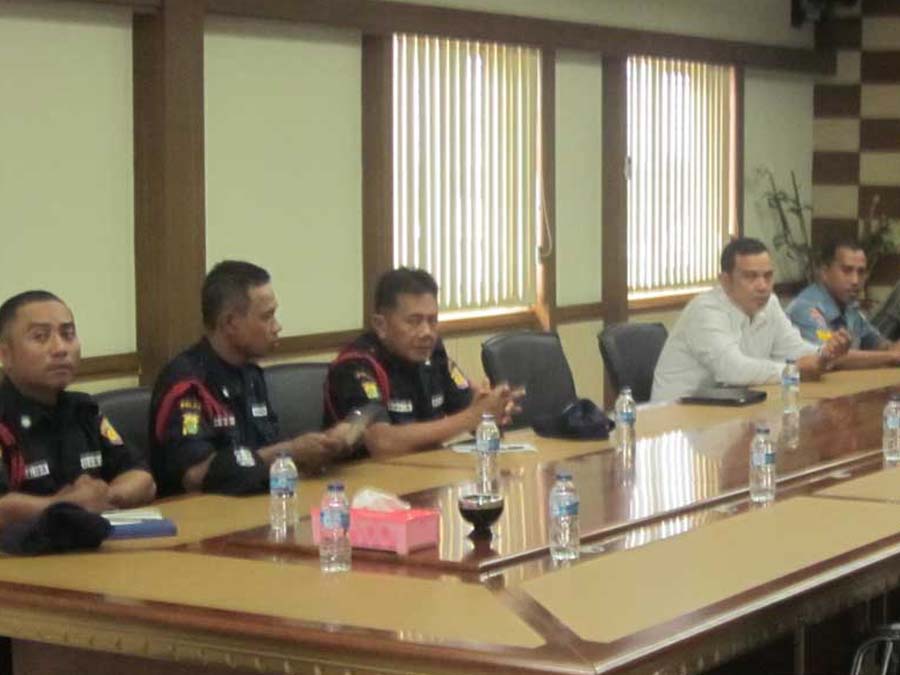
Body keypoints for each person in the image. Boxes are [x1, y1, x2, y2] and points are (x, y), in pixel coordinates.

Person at [150, 261, 352, 496]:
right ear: (230, 323)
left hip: (258, 500)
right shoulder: (187, 384)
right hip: (202, 510)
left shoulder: (251, 374)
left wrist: (321, 448)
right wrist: (290, 452)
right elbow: (196, 475)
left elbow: (268, 448)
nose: (277, 327)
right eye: (267, 317)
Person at [324, 267, 520, 459]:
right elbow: (382, 443)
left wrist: (492, 410)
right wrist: (472, 417)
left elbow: (470, 408)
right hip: (368, 478)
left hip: (427, 471)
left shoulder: (433, 354)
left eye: (432, 321)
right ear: (380, 325)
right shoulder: (356, 365)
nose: (427, 332)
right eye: (414, 321)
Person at [0, 291, 155, 530]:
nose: (60, 348)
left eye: (68, 334)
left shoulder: (84, 411)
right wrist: (66, 505)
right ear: (5, 355)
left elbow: (142, 479)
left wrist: (105, 496)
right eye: (40, 337)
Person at [651, 238, 850, 402]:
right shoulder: (706, 310)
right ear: (725, 281)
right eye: (750, 277)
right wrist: (793, 370)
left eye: (768, 276)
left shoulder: (770, 304)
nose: (762, 286)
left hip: (731, 408)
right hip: (676, 416)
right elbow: (733, 370)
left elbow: (793, 349)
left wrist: (825, 354)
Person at [787, 238, 900, 368]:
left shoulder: (850, 308)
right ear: (824, 272)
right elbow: (831, 358)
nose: (855, 280)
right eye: (847, 270)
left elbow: (881, 345)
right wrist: (892, 356)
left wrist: (892, 350)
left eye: (861, 272)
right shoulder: (806, 308)